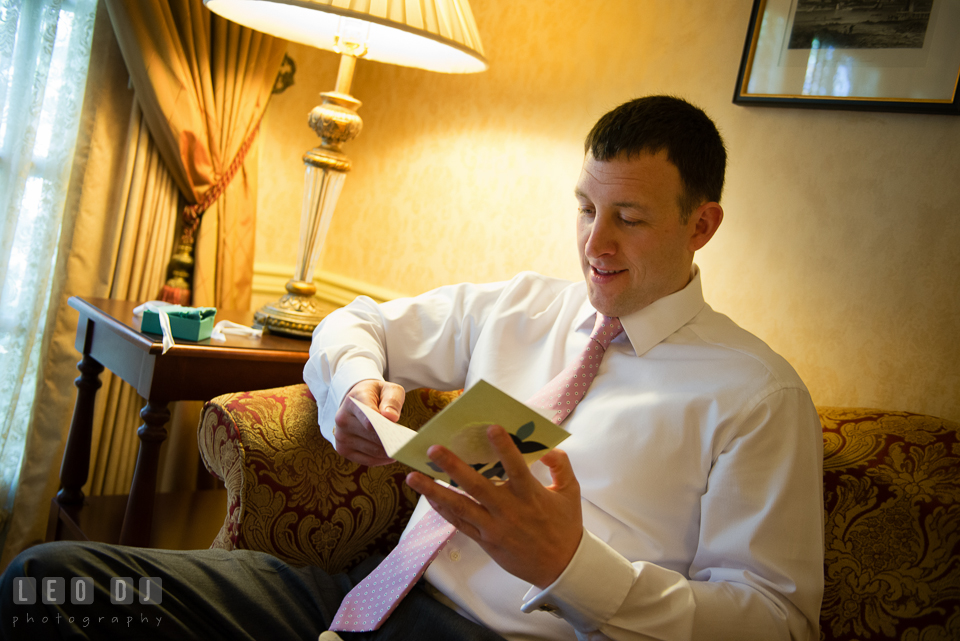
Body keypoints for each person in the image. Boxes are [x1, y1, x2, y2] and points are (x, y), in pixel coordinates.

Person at [1, 95, 823, 641]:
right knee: (49, 584)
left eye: (630, 219)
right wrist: (353, 389)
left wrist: (574, 567)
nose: (594, 243)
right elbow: (355, 321)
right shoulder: (522, 306)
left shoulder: (754, 394)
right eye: (585, 207)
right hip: (354, 597)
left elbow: (779, 619)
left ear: (702, 224)